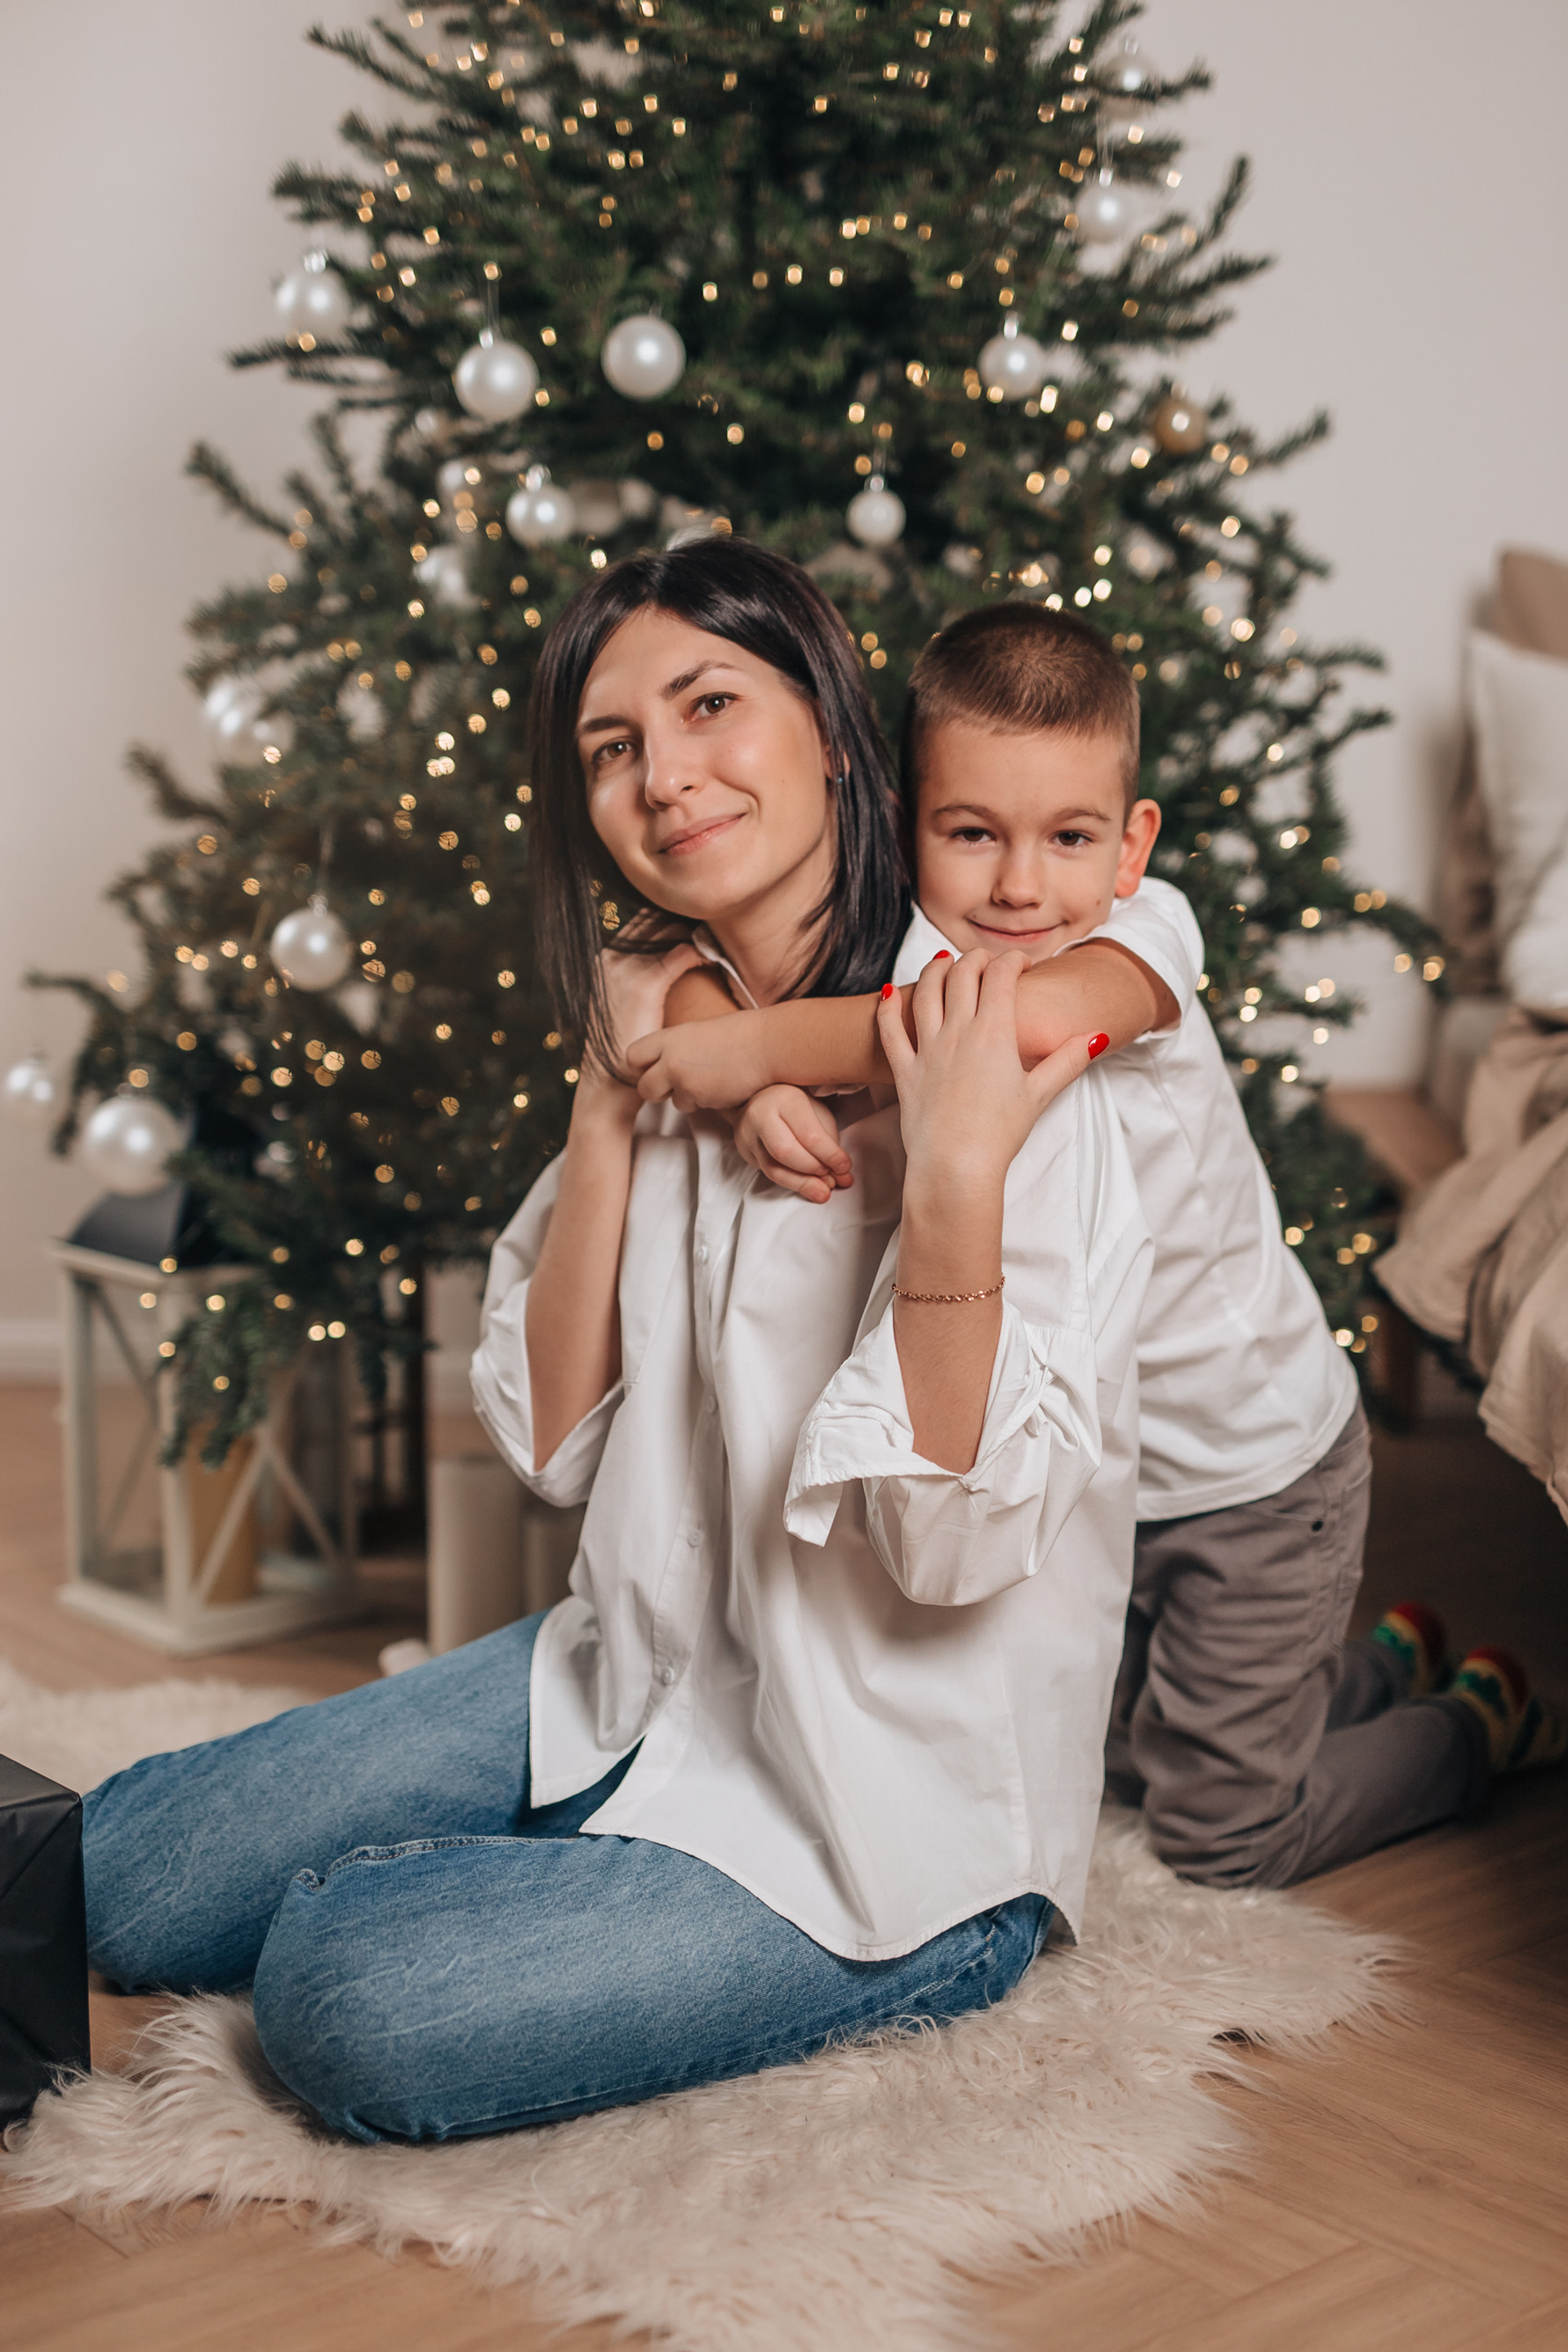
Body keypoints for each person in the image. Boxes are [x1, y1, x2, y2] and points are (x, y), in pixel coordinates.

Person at [79, 541, 1152, 2145]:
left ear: (835, 722)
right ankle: (551, 1853)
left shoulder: (1004, 1044)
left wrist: (949, 1178)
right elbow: (553, 1436)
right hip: (626, 1676)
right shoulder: (678, 1018)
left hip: (880, 1828)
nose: (664, 775)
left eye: (710, 702)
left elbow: (947, 1547)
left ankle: (531, 1898)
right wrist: (616, 1090)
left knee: (348, 1996)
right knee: (113, 1880)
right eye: (611, 746)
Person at [630, 602, 1566, 1894]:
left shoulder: (1141, 941)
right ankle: (1370, 1667)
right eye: (973, 835)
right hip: (1098, 1486)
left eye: (1068, 839)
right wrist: (743, 1083)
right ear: (908, 824)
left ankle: (1465, 1727)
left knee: (1221, 1831)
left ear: (1131, 847)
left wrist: (750, 1055)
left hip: (1254, 1471)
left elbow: (1003, 1026)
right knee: (1129, 1740)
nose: (1021, 886)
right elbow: (680, 957)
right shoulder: (912, 955)